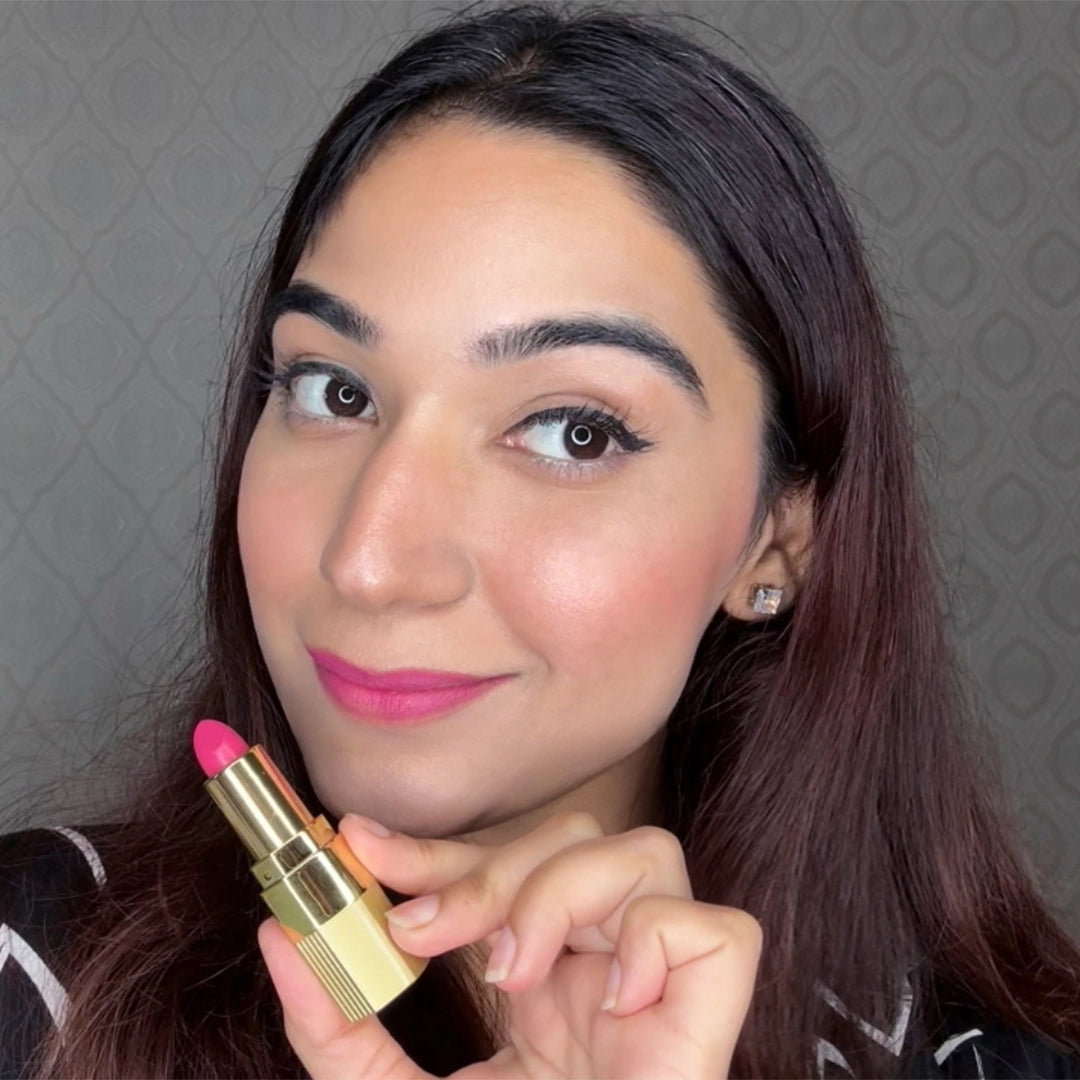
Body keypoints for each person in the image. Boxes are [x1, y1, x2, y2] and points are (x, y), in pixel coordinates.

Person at [2, 3, 1079, 1077]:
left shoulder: (997, 1062)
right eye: (334, 391)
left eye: (574, 431)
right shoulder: (31, 980)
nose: (369, 561)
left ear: (779, 537)